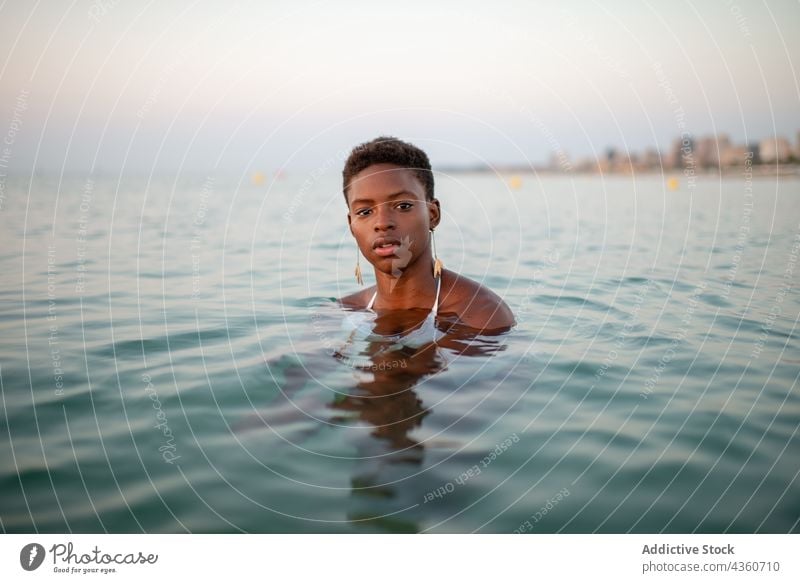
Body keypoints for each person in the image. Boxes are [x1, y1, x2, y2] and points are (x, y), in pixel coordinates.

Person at [338, 136, 515, 333]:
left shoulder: (481, 314)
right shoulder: (344, 311)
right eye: (365, 212)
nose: (382, 223)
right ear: (352, 226)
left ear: (433, 214)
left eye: (403, 206)